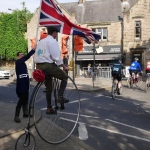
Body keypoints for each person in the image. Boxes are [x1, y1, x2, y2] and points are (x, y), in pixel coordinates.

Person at [34, 26, 69, 114]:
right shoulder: (53, 41)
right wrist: (64, 66)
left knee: (49, 88)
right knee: (64, 77)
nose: (56, 34)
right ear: (54, 33)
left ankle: (49, 108)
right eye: (56, 33)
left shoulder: (41, 42)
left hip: (38, 66)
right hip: (48, 66)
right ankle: (60, 96)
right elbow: (56, 57)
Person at [14, 48, 36, 123]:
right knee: (22, 100)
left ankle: (25, 113)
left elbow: (23, 73)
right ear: (18, 56)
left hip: (26, 84)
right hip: (22, 85)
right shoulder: (18, 62)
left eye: (23, 54)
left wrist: (28, 78)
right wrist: (33, 50)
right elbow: (27, 56)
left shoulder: (22, 63)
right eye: (21, 55)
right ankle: (16, 116)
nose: (22, 56)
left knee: (25, 99)